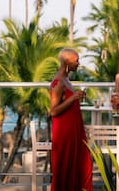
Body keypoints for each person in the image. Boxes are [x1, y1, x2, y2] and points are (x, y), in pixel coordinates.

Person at [49, 48, 92, 191]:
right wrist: (73, 98)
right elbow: (54, 111)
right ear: (67, 62)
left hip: (74, 130)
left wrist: (75, 97)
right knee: (65, 167)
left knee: (79, 164)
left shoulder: (66, 79)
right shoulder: (58, 82)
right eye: (76, 60)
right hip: (64, 132)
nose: (79, 63)